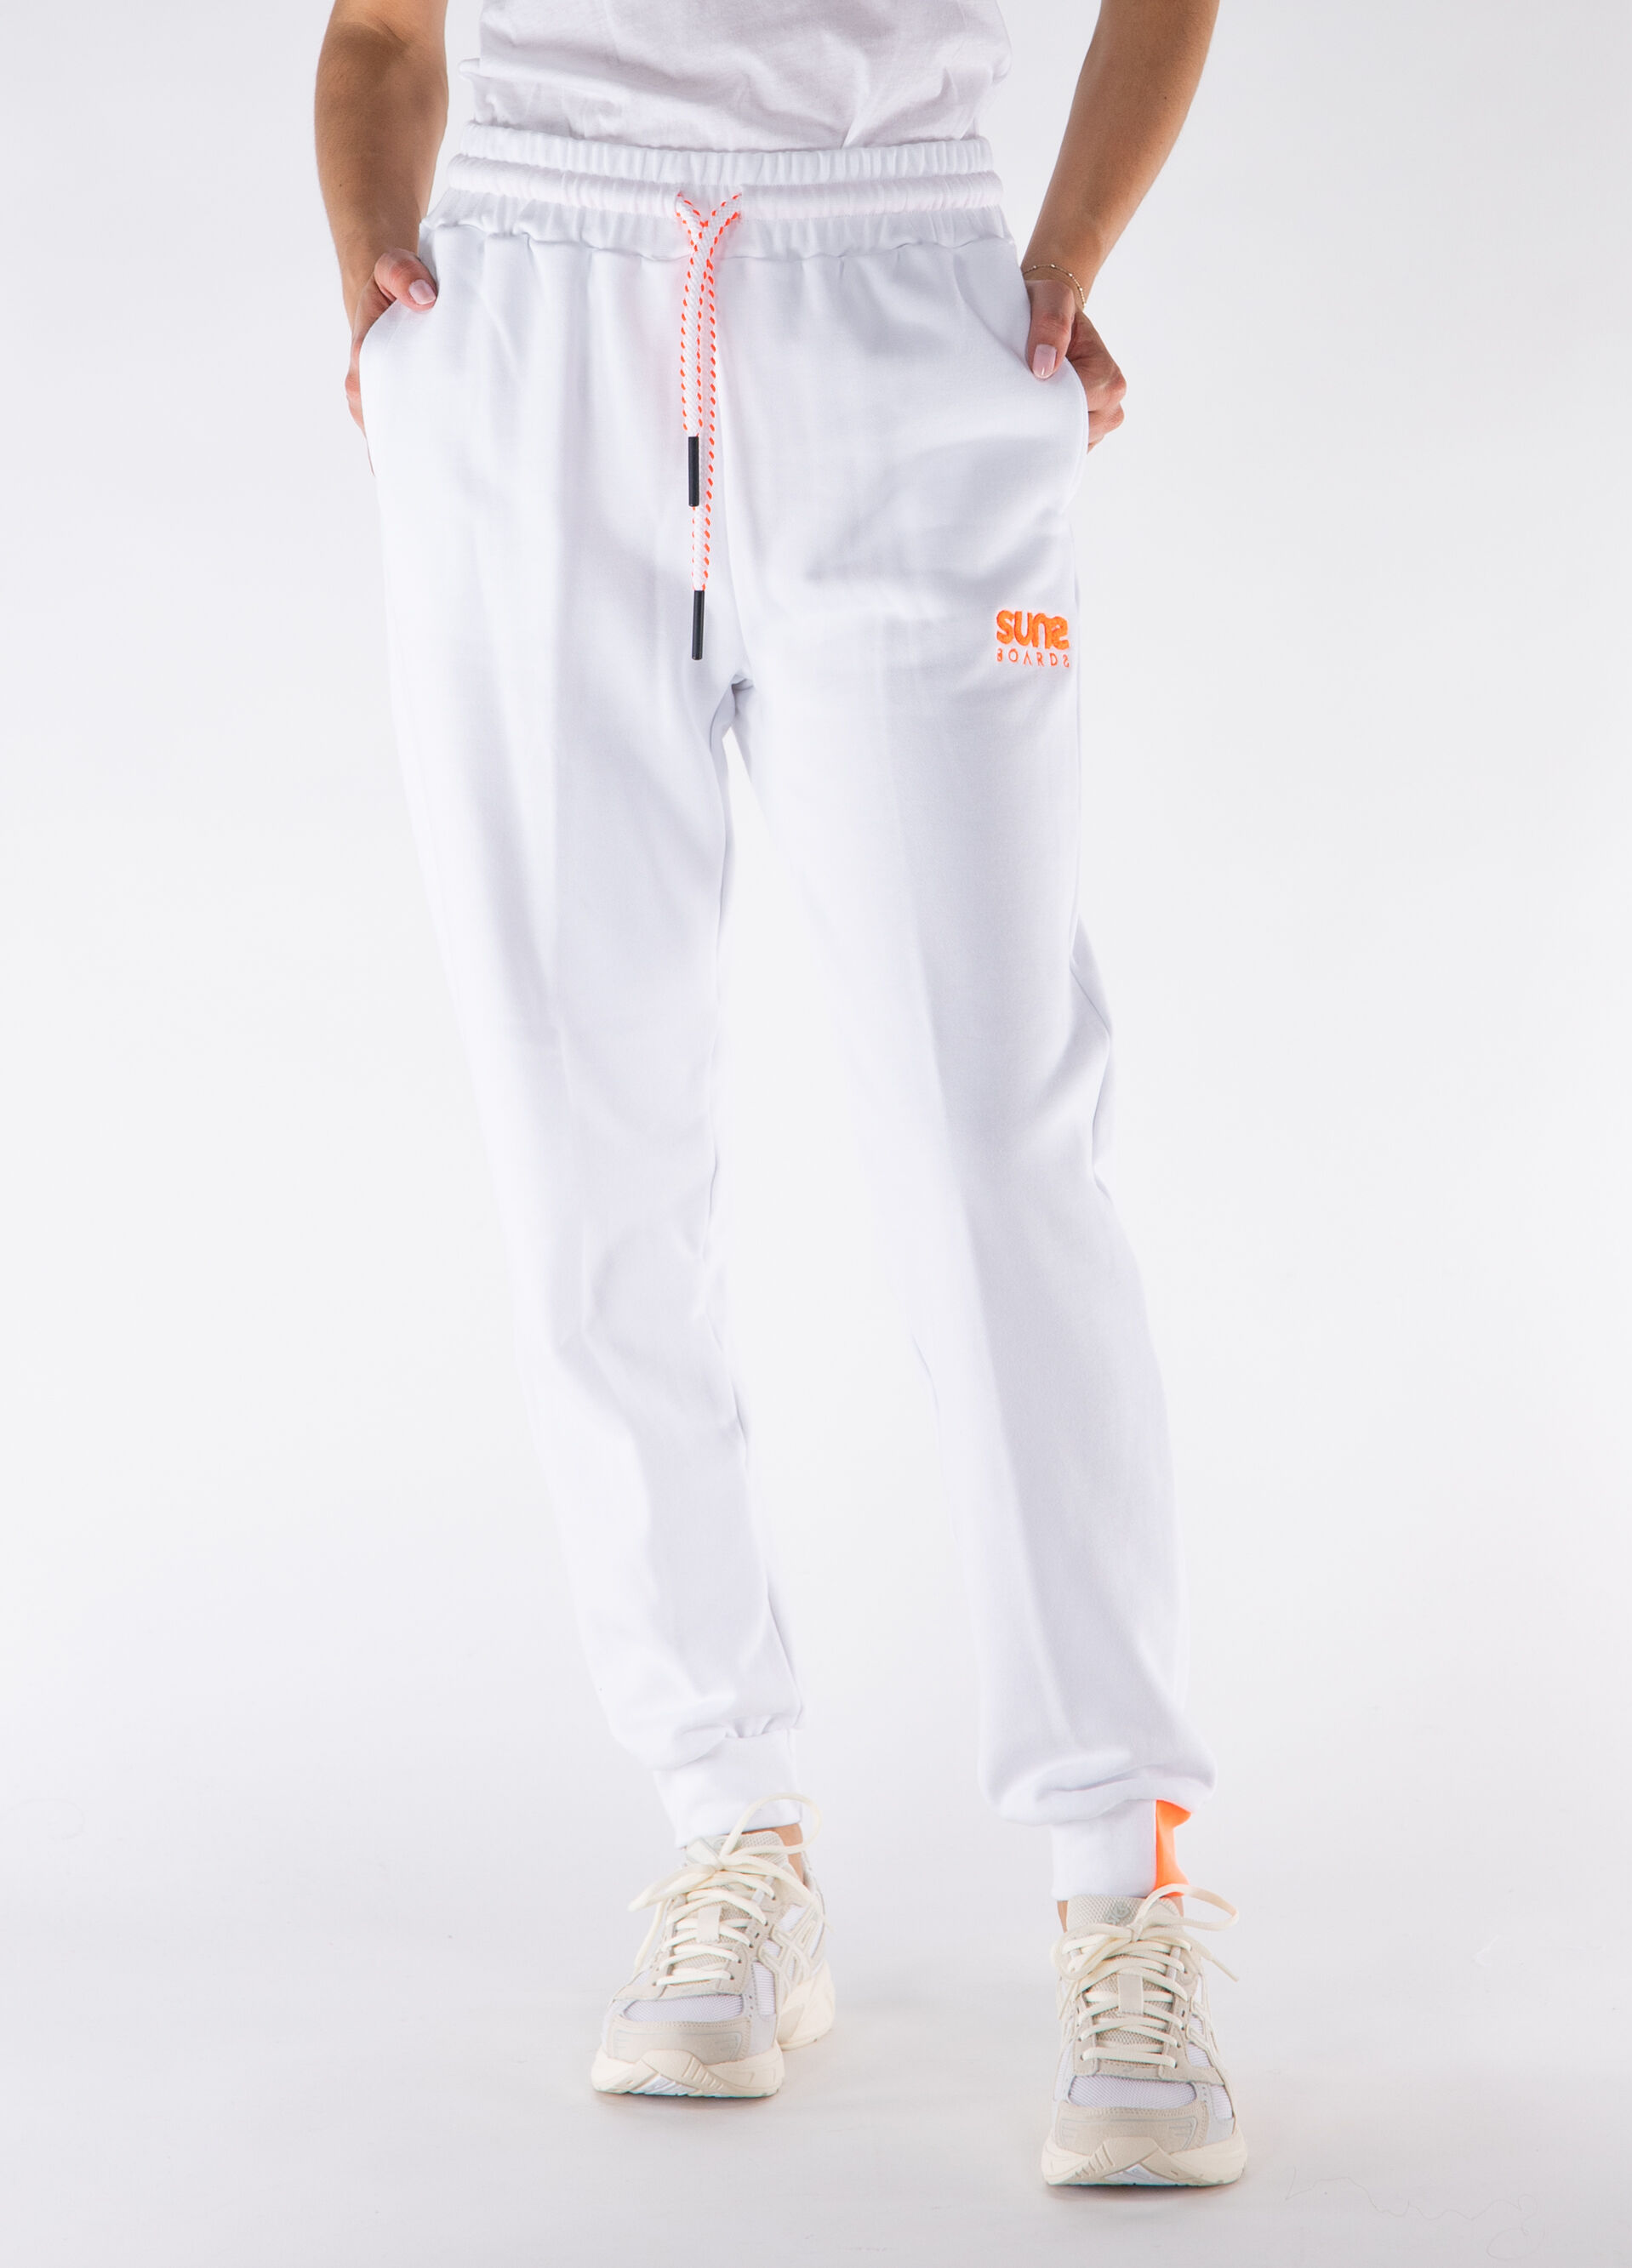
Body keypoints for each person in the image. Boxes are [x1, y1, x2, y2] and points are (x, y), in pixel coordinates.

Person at [316, 0, 1241, 2187]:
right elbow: (375, 33)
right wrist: (384, 313)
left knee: (993, 1137)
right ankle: (728, 1818)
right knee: (583, 1137)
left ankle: (1125, 1874)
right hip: (527, 338)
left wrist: (1062, 259)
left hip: (899, 315)